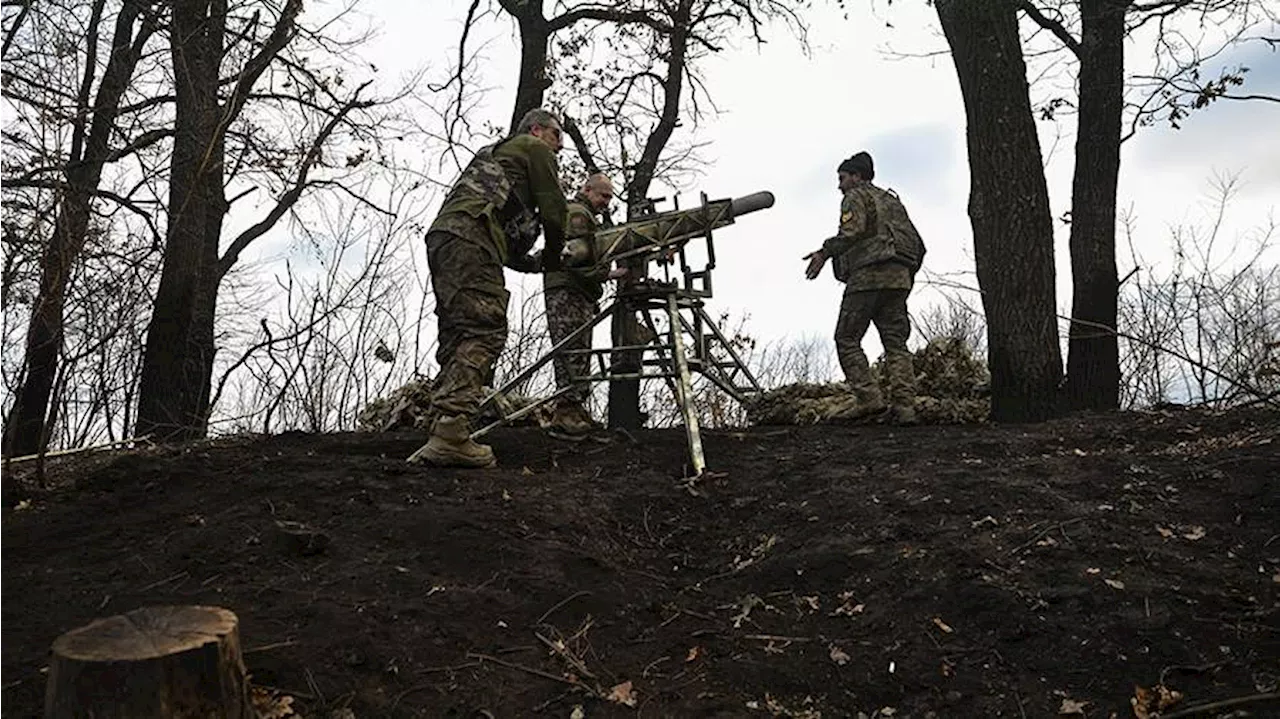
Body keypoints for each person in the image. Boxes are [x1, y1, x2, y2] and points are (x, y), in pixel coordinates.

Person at [408, 108, 570, 468]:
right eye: (558, 135)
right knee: (486, 330)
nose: (560, 147)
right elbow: (556, 211)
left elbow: (504, 240)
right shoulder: (534, 148)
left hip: (446, 238)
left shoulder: (495, 158)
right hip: (472, 239)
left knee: (458, 331)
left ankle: (441, 425)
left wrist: (534, 262)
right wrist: (557, 255)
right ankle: (451, 432)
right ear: (538, 129)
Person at [803, 151, 925, 426]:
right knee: (896, 344)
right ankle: (905, 408)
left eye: (842, 178)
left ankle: (868, 399)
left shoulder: (855, 196)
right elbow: (919, 244)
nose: (839, 185)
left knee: (846, 338)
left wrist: (824, 253)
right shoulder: (892, 201)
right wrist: (905, 276)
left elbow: (852, 232)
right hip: (898, 280)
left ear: (857, 176)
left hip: (867, 278)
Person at [542, 173, 615, 440]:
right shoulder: (576, 214)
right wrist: (606, 275)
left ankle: (574, 408)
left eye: (609, 197)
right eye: (603, 195)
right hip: (567, 289)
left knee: (581, 349)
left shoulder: (587, 216)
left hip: (578, 291)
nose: (606, 202)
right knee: (570, 348)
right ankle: (565, 410)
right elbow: (573, 258)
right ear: (587, 189)